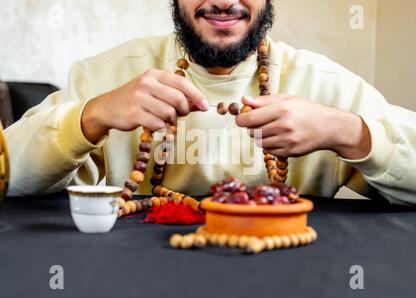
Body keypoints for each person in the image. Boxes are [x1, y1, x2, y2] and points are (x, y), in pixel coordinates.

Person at [5, 0, 416, 205]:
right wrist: (92, 116)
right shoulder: (105, 75)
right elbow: (9, 172)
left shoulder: (326, 85)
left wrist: (346, 132)